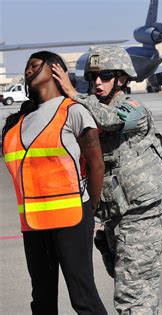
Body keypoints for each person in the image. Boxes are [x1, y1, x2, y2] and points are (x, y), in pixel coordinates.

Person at [52, 45, 162, 314]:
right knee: (140, 290)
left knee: (132, 294)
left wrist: (72, 93)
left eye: (105, 76)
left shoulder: (133, 108)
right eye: (92, 77)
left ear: (122, 79)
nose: (96, 83)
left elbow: (108, 120)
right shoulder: (90, 109)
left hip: (141, 216)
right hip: (116, 216)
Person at [2, 51, 107, 314]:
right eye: (27, 66)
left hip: (71, 218)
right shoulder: (16, 122)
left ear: (55, 69)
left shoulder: (72, 111)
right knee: (42, 300)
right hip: (33, 223)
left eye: (35, 65)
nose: (28, 69)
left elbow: (96, 164)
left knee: (82, 298)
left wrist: (89, 211)